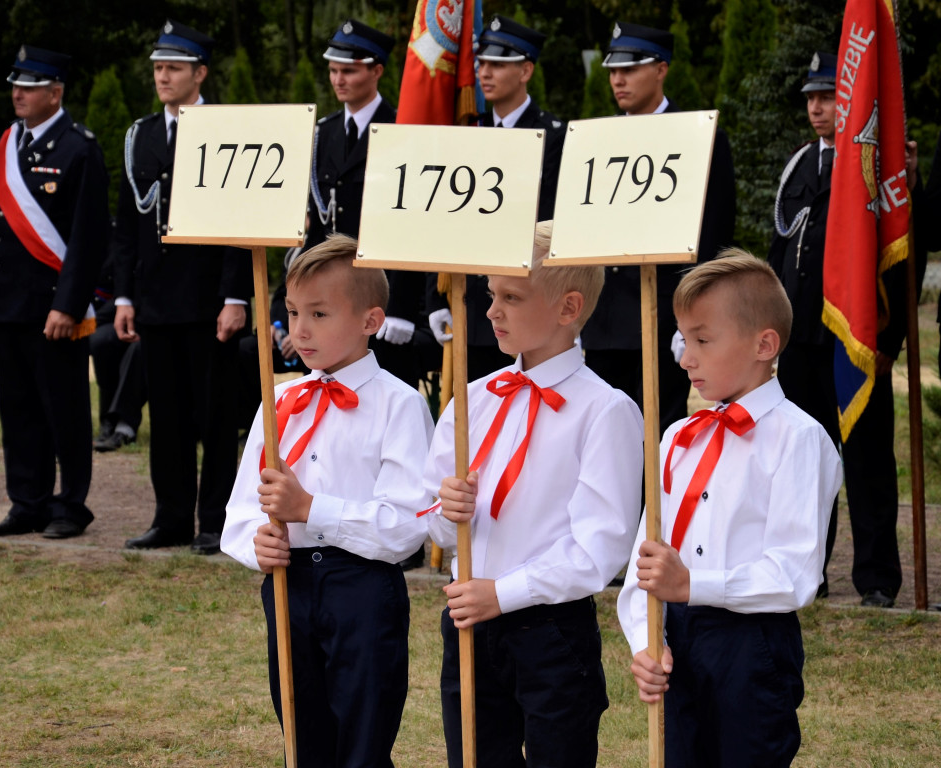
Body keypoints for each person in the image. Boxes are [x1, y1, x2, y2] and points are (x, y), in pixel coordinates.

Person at [426, 221, 643, 767]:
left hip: (550, 631)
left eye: (511, 298)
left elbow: (600, 547)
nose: (491, 311)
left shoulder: (605, 410)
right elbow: (423, 516)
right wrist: (444, 510)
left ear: (568, 309)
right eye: (491, 296)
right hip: (469, 626)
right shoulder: (471, 402)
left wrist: (506, 593)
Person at [618, 251, 842, 767]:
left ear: (764, 344)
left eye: (702, 339)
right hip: (676, 633)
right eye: (682, 339)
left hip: (752, 646)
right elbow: (646, 560)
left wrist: (693, 585)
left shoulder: (798, 440)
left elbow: (793, 574)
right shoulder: (677, 437)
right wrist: (643, 641)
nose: (685, 358)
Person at [221, 234, 433, 766]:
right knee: (301, 733)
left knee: (362, 739)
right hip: (289, 585)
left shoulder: (399, 405)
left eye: (319, 313)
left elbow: (407, 525)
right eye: (293, 312)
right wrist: (257, 545)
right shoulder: (280, 400)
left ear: (370, 320)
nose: (300, 330)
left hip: (362, 588)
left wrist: (312, 509)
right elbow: (242, 508)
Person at [768, 52, 912, 607]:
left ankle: (876, 578)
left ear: (848, 101)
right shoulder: (800, 165)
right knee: (806, 461)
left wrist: (887, 340)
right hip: (803, 340)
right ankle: (809, 570)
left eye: (827, 96)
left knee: (869, 462)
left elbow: (897, 260)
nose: (817, 106)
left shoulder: (871, 169)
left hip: (855, 342)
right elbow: (781, 249)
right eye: (811, 97)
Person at [114, 20, 252, 555]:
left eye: (172, 67)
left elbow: (241, 223)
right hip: (155, 298)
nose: (162, 76)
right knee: (166, 418)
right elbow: (128, 223)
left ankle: (215, 521)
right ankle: (170, 516)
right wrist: (123, 295)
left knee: (215, 418)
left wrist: (235, 297)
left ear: (200, 73)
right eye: (157, 67)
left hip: (208, 299)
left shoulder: (226, 131)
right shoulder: (140, 134)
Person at [580, 21, 736, 435]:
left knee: (658, 434)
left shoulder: (698, 135)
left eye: (630, 69)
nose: (618, 79)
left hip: (663, 314)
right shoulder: (599, 137)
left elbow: (713, 237)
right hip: (603, 316)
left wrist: (694, 320)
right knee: (603, 436)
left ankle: (656, 505)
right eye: (613, 71)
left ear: (661, 69)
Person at [0, 46, 108, 539]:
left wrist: (67, 305)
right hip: (9, 302)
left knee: (65, 410)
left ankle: (69, 506)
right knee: (18, 410)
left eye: (30, 86)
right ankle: (27, 501)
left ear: (56, 93)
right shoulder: (9, 142)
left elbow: (88, 237)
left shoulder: (80, 148)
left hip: (54, 305)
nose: (18, 93)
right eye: (16, 85)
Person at [426, 14, 567, 383]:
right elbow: (444, 219)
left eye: (499, 64)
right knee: (471, 421)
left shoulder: (554, 136)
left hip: (527, 300)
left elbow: (554, 226)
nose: (485, 73)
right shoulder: (468, 135)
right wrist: (435, 298)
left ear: (525, 71)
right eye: (482, 63)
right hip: (471, 301)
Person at [307, 19, 435, 392]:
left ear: (377, 70)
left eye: (348, 70)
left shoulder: (402, 129)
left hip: (382, 292)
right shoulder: (323, 133)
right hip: (332, 291)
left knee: (386, 400)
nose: (338, 79)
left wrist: (403, 305)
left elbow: (414, 224)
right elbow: (318, 225)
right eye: (333, 70)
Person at [89, 241, 146, 452]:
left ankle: (124, 424)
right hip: (126, 312)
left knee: (138, 352)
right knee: (101, 341)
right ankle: (107, 422)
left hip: (161, 318)